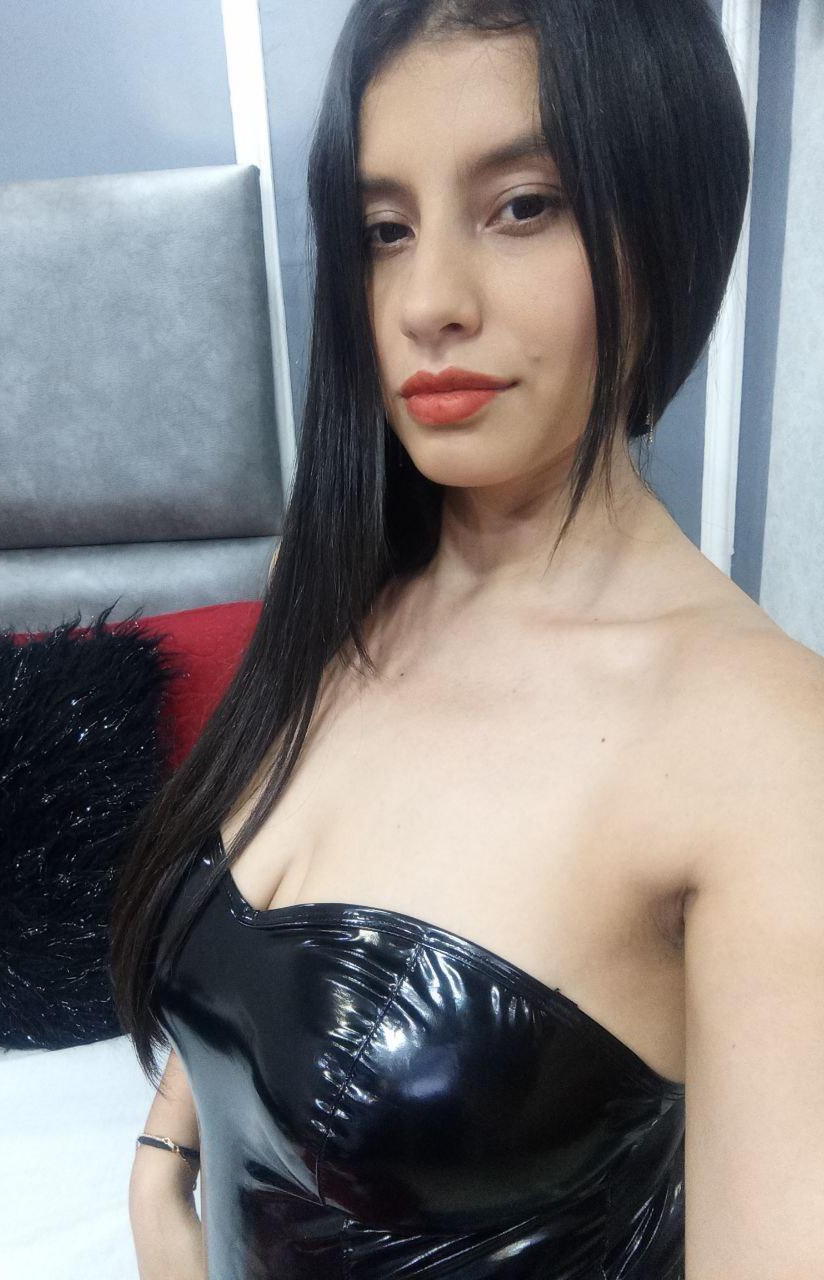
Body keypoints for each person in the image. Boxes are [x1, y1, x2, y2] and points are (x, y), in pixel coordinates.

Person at [114, 3, 824, 1278]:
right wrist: (162, 1168)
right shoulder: (328, 597)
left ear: (665, 223)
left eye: (523, 206)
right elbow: (236, 966)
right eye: (384, 230)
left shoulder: (766, 751)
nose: (427, 301)